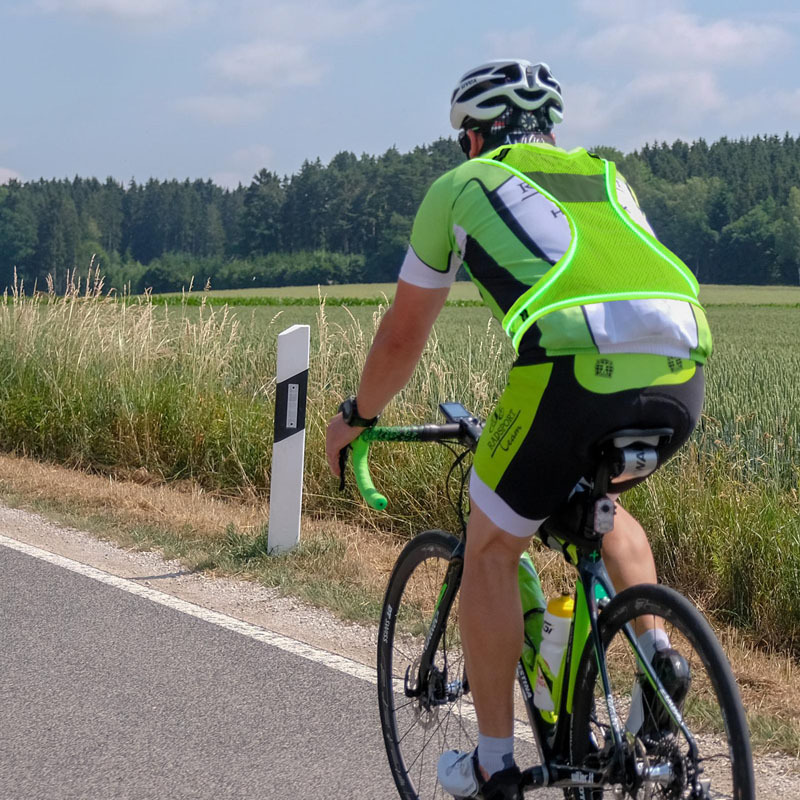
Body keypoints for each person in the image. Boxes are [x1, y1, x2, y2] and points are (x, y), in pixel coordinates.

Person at [325, 59, 711, 800]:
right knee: (604, 512)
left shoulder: (460, 188)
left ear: (475, 135)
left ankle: (493, 762)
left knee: (493, 543)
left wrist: (356, 418)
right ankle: (655, 654)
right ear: (549, 129)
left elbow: (403, 338)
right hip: (681, 366)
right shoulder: (607, 177)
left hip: (570, 368)